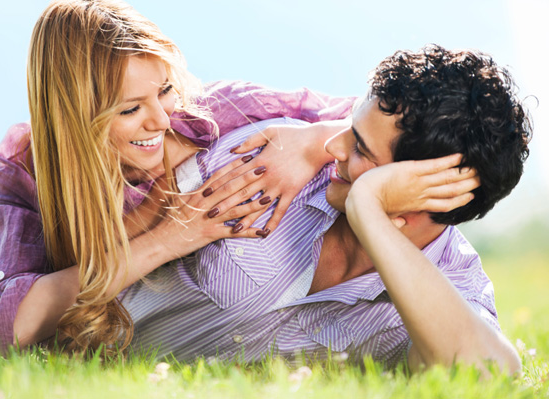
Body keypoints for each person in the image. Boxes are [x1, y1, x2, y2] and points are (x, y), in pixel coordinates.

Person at [0, 0, 355, 356]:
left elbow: (382, 121)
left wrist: (311, 141)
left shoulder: (220, 111)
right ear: (74, 119)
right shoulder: (30, 164)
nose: (161, 121)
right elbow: (6, 325)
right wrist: (166, 237)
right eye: (130, 110)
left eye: (164, 90)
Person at [114, 45, 528, 374]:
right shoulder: (270, 162)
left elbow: (487, 374)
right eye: (348, 128)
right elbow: (92, 242)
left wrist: (369, 209)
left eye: (360, 149)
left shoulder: (453, 288)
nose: (333, 147)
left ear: (420, 186)